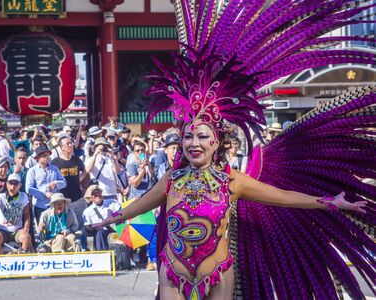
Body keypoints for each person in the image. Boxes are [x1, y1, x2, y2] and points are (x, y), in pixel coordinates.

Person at [93, 1, 374, 298]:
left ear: (216, 141)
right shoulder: (171, 180)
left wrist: (330, 201)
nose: (194, 143)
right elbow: (140, 205)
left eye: (202, 137)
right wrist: (109, 220)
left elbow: (284, 198)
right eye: (188, 137)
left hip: (219, 275)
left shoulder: (232, 181)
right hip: (172, 273)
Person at [0, 173, 32, 254]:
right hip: (2, 229)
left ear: (20, 185)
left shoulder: (23, 196)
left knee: (26, 237)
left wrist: (26, 229)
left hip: (17, 229)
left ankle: (23, 260)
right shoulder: (1, 196)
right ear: (7, 184)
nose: (13, 186)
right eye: (11, 183)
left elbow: (26, 214)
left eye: (16, 184)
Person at [25, 144, 66, 224]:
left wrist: (56, 183)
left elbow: (64, 182)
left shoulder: (54, 168)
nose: (47, 157)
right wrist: (44, 194)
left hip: (55, 205)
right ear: (37, 158)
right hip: (40, 206)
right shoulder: (32, 171)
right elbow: (28, 188)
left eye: (48, 155)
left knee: (56, 229)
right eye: (44, 156)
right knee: (42, 230)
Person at [83, 185, 121, 251]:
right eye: (94, 194)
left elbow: (121, 212)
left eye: (99, 192)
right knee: (100, 233)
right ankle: (102, 255)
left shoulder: (112, 202)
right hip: (100, 233)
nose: (98, 195)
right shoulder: (87, 211)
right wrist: (102, 224)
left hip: (115, 230)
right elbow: (88, 228)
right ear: (90, 198)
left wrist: (113, 215)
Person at [51, 135, 87, 203]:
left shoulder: (77, 159)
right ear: (61, 147)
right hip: (63, 200)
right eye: (68, 144)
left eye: (71, 143)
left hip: (78, 198)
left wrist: (78, 179)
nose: (71, 145)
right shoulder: (55, 162)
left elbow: (84, 171)